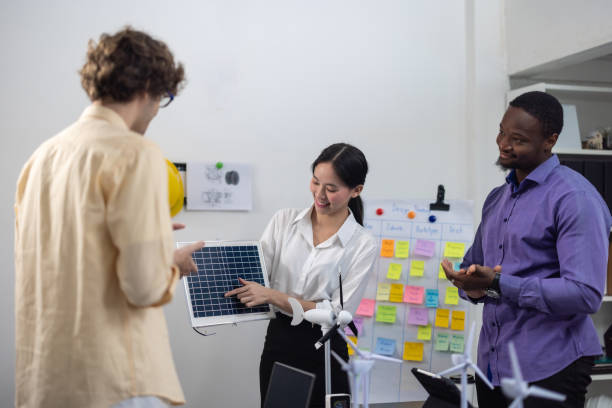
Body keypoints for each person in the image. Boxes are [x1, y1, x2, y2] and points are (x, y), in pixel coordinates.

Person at [14, 27, 204, 408]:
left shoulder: (41, 158)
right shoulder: (135, 152)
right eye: (163, 99)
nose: (156, 111)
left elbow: (65, 255)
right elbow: (143, 286)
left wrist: (142, 236)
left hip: (46, 380)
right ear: (148, 87)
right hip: (114, 380)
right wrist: (169, 262)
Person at [441, 91, 612, 408]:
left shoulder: (575, 198)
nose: (504, 144)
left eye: (517, 139)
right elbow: (477, 267)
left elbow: (586, 294)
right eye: (502, 132)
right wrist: (470, 284)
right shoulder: (497, 198)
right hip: (492, 367)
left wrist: (497, 283)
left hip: (551, 366)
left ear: (550, 140)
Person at [225, 143, 377, 408]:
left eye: (332, 189)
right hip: (280, 340)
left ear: (356, 190)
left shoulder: (363, 243)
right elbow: (254, 277)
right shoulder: (284, 221)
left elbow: (338, 314)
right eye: (316, 182)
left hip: (327, 349)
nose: (320, 194)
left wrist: (272, 295)